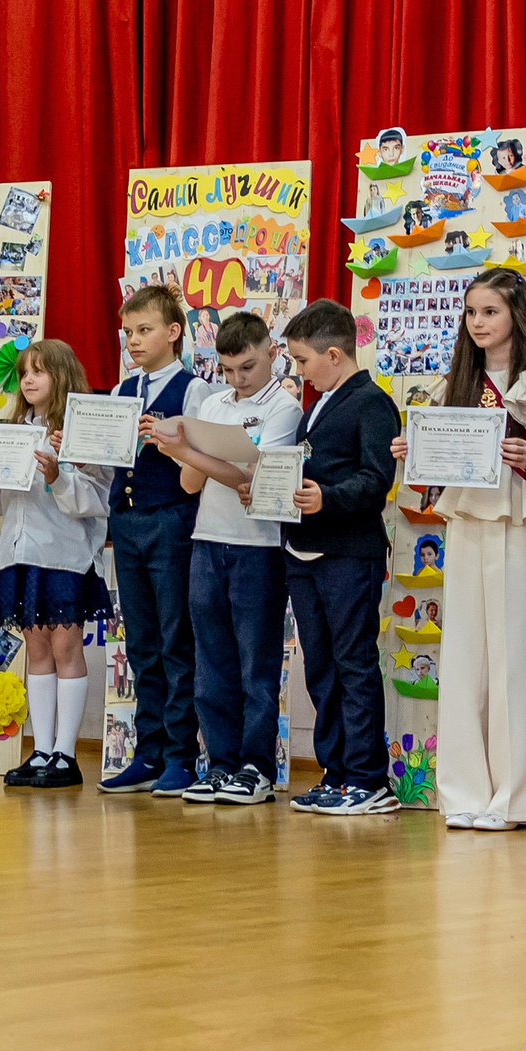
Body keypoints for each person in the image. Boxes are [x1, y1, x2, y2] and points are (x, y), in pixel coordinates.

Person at [391, 269, 526, 832]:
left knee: (512, 662)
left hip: (519, 517)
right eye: (471, 313)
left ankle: (512, 800)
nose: (479, 322)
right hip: (466, 520)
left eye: (490, 311)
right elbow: (431, 470)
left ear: (517, 314)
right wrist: (410, 451)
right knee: (463, 658)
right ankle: (462, 792)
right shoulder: (453, 385)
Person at [144, 312, 303, 806]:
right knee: (210, 661)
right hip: (207, 539)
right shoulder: (212, 402)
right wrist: (186, 455)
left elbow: (251, 478)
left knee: (254, 664)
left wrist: (193, 454)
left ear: (272, 354)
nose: (237, 379)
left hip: (258, 547)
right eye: (229, 369)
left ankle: (256, 768)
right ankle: (221, 765)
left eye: (248, 368)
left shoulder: (285, 407)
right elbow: (193, 482)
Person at [0, 338, 109, 790]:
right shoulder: (10, 428)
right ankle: (42, 749)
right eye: (25, 372)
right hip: (19, 556)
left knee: (66, 650)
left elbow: (96, 500)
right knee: (38, 652)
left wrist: (57, 475)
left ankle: (67, 754)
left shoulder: (79, 431)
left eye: (40, 371)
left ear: (61, 376)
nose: (28, 380)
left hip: (64, 556)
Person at [278, 300, 400, 816]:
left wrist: (328, 497)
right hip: (304, 550)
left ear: (333, 353)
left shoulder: (371, 402)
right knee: (322, 667)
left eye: (303, 361)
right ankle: (336, 772)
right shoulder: (321, 402)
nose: (299, 372)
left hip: (349, 553)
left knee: (352, 665)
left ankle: (369, 779)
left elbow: (376, 480)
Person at [98, 284, 206, 797]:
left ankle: (181, 756)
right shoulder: (122, 391)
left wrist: (169, 440)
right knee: (140, 643)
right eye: (128, 333)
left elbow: (203, 465)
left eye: (144, 331)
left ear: (173, 332)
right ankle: (148, 751)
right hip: (130, 523)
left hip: (173, 522)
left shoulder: (194, 390)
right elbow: (111, 459)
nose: (134, 342)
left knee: (174, 641)